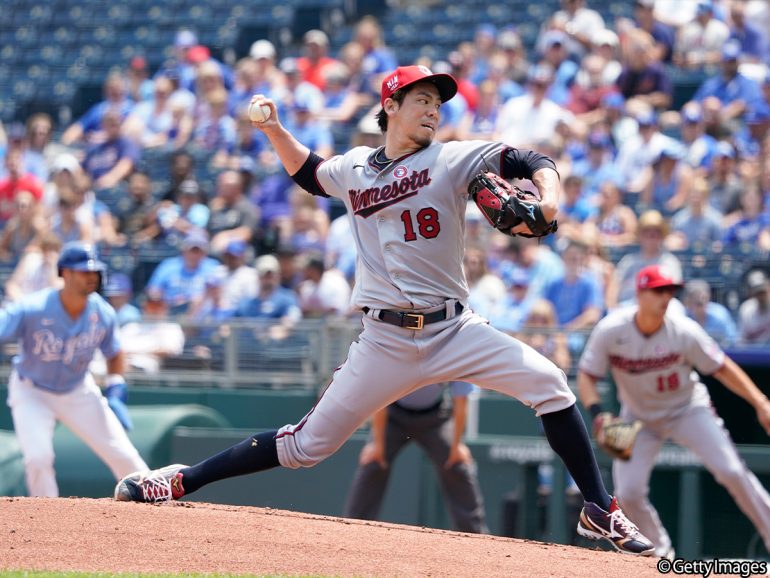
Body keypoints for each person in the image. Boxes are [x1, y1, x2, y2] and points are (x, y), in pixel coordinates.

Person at [114, 64, 654, 556]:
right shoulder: (353, 169)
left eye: (437, 103)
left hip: (455, 327)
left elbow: (530, 161)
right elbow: (311, 174)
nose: (433, 110)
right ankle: (182, 479)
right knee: (305, 446)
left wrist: (550, 198)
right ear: (390, 106)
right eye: (421, 99)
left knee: (552, 385)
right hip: (384, 340)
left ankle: (599, 510)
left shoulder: (451, 157)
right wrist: (276, 131)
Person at [577, 264, 770, 558]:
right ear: (640, 294)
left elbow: (723, 368)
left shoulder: (683, 330)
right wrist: (599, 413)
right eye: (658, 290)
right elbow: (587, 375)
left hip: (687, 409)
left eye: (670, 290)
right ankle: (660, 554)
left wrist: (760, 402)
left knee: (732, 471)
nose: (666, 296)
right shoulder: (611, 329)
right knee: (627, 492)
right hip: (638, 416)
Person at [1, 242, 147, 497]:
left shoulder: (102, 312)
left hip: (78, 389)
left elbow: (114, 352)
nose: (92, 277)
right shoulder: (33, 307)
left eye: (95, 272)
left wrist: (115, 389)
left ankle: (156, 507)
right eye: (84, 271)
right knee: (38, 458)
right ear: (64, 273)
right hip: (31, 390)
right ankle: (47, 518)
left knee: (124, 454)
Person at [343, 381, 488, 534]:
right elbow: (380, 397)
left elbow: (461, 401)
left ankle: (475, 534)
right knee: (373, 461)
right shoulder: (397, 356)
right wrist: (377, 445)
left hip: (435, 417)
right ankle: (353, 529)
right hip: (393, 414)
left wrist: (457, 445)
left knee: (457, 463)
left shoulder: (455, 358)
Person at [737, 269, 770, 345]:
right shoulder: (746, 309)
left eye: (763, 292)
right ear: (751, 293)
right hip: (755, 353)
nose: (761, 296)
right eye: (758, 293)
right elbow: (741, 341)